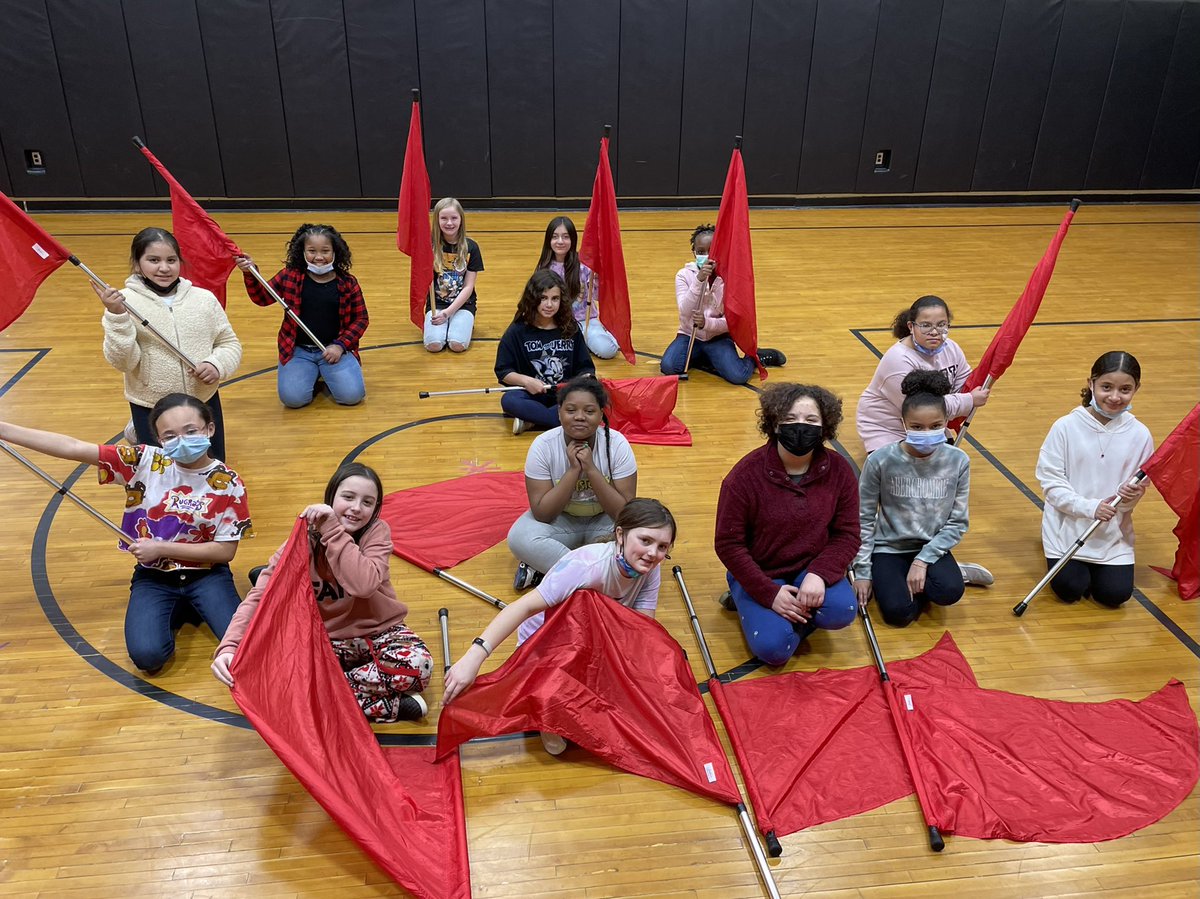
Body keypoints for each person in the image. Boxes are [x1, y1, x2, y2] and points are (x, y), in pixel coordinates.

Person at [0, 393, 251, 674]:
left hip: (207, 574)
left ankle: (191, 604)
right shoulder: (144, 460)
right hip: (155, 577)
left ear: (209, 429)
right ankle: (181, 607)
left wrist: (161, 549)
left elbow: (224, 551)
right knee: (148, 657)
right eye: (169, 436)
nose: (180, 440)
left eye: (190, 431)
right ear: (158, 439)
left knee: (245, 650)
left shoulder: (229, 482)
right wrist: (5, 429)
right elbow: (72, 446)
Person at [443, 498, 676, 754]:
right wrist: (474, 657)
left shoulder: (651, 568)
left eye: (662, 546)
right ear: (620, 534)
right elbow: (523, 607)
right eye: (645, 541)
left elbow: (640, 629)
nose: (653, 553)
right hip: (549, 643)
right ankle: (545, 697)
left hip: (597, 638)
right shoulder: (586, 566)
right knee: (584, 604)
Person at [212, 463, 433, 721]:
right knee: (261, 675)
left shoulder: (377, 532)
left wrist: (333, 530)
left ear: (375, 509)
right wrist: (229, 646)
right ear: (331, 498)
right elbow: (260, 596)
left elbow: (363, 585)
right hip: (324, 640)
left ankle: (317, 698)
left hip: (378, 632)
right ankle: (384, 705)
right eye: (348, 497)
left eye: (367, 502)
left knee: (419, 666)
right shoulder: (304, 536)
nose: (356, 508)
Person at [714, 383, 860, 666]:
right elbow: (728, 544)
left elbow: (848, 534)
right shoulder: (743, 477)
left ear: (825, 426)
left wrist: (819, 574)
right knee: (774, 650)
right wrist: (768, 594)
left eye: (811, 420)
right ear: (774, 424)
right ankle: (746, 596)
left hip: (810, 567)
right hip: (762, 571)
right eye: (790, 420)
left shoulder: (840, 470)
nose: (800, 427)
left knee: (842, 610)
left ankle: (780, 611)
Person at [852, 371, 990, 627]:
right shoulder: (880, 460)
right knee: (899, 614)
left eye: (935, 426)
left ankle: (949, 572)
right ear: (903, 423)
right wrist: (862, 571)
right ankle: (903, 578)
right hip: (888, 548)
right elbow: (863, 517)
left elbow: (958, 522)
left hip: (931, 546)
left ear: (946, 421)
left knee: (949, 592)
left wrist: (922, 560)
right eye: (917, 427)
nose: (926, 433)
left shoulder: (958, 461)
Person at [94, 227, 241, 460]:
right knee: (162, 474)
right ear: (136, 263)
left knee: (212, 468)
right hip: (151, 406)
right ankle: (138, 429)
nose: (164, 268)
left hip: (202, 402)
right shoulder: (124, 303)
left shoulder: (204, 299)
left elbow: (229, 342)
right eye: (153, 260)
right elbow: (122, 361)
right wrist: (117, 317)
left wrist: (217, 364)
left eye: (171, 260)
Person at [1035, 351, 1153, 607]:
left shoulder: (1141, 435)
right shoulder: (1065, 426)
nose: (1114, 397)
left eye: (1125, 389)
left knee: (1115, 596)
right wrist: (1091, 508)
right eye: (1106, 387)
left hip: (1111, 535)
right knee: (1070, 589)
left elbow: (1136, 492)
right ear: (1091, 383)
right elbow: (1051, 483)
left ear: (1136, 389)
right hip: (1065, 530)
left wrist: (1129, 498)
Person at [507, 375, 638, 589]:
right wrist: (574, 471)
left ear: (601, 414)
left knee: (636, 539)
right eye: (570, 410)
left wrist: (591, 470)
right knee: (519, 538)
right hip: (562, 521)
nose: (579, 417)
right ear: (558, 413)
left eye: (589, 411)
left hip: (604, 522)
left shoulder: (617, 444)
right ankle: (593, 576)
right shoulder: (543, 446)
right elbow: (543, 513)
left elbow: (624, 513)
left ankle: (550, 571)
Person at [235, 223, 367, 408]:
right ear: (302, 252)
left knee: (352, 397)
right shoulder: (290, 276)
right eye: (312, 251)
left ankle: (325, 371)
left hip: (334, 349)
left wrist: (340, 346)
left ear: (335, 252)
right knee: (293, 400)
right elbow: (262, 298)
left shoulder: (348, 282)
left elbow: (361, 319)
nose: (319, 257)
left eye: (325, 251)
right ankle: (310, 373)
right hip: (298, 350)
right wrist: (251, 273)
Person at [856, 294, 989, 453]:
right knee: (905, 474)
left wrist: (973, 393)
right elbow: (921, 408)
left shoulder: (952, 348)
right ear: (911, 327)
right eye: (926, 325)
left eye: (941, 325)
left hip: (927, 426)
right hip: (888, 428)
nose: (934, 332)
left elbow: (964, 384)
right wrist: (969, 400)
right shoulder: (898, 360)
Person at [659, 223, 785, 383]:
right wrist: (699, 281)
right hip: (689, 336)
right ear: (694, 253)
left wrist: (707, 323)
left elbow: (733, 321)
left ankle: (755, 357)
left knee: (738, 376)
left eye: (710, 251)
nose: (705, 256)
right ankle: (707, 359)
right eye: (700, 252)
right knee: (669, 367)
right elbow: (684, 311)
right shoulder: (683, 275)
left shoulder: (730, 279)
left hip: (718, 337)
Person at [495, 270, 595, 434]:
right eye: (543, 298)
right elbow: (503, 371)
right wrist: (527, 381)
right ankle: (565, 421)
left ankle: (533, 421)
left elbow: (585, 368)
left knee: (596, 396)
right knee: (509, 400)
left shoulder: (570, 328)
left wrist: (585, 382)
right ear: (533, 299)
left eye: (555, 299)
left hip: (566, 396)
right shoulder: (517, 330)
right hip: (531, 395)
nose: (549, 305)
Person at [535, 215, 618, 358]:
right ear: (548, 240)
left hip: (585, 320)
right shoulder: (544, 268)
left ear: (573, 239)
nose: (560, 241)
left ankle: (604, 335)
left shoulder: (584, 265)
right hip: (557, 322)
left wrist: (598, 279)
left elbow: (597, 296)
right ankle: (581, 342)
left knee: (607, 350)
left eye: (566, 237)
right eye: (555, 237)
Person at [425, 197, 483, 353]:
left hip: (463, 304)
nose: (449, 223)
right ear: (437, 220)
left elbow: (468, 286)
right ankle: (451, 324)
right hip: (437, 304)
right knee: (434, 345)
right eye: (443, 218)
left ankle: (462, 321)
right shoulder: (429, 246)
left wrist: (448, 313)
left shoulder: (471, 247)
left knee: (457, 345)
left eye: (454, 218)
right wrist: (440, 313)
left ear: (461, 220)